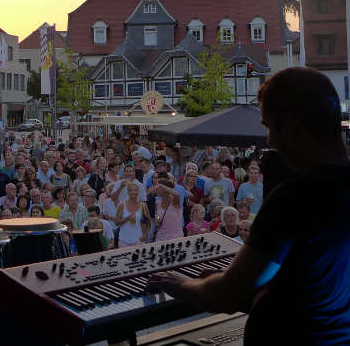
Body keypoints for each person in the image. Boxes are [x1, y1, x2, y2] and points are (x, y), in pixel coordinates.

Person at [148, 67, 350, 344]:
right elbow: (312, 278)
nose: (269, 140)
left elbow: (227, 294)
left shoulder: (294, 199)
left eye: (268, 126)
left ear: (290, 124)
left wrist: (182, 284)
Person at [114, 182, 149, 248]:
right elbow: (116, 222)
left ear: (138, 192)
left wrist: (145, 234)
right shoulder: (122, 205)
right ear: (128, 192)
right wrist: (127, 218)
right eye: (131, 190)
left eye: (135, 190)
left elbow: (149, 222)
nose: (133, 192)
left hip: (139, 240)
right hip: (124, 240)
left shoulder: (143, 205)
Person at [151, 177, 183, 241]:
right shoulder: (157, 203)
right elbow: (157, 217)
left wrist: (161, 185)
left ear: (165, 189)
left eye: (158, 187)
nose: (156, 189)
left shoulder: (174, 202)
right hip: (161, 237)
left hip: (176, 237)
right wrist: (157, 219)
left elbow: (176, 195)